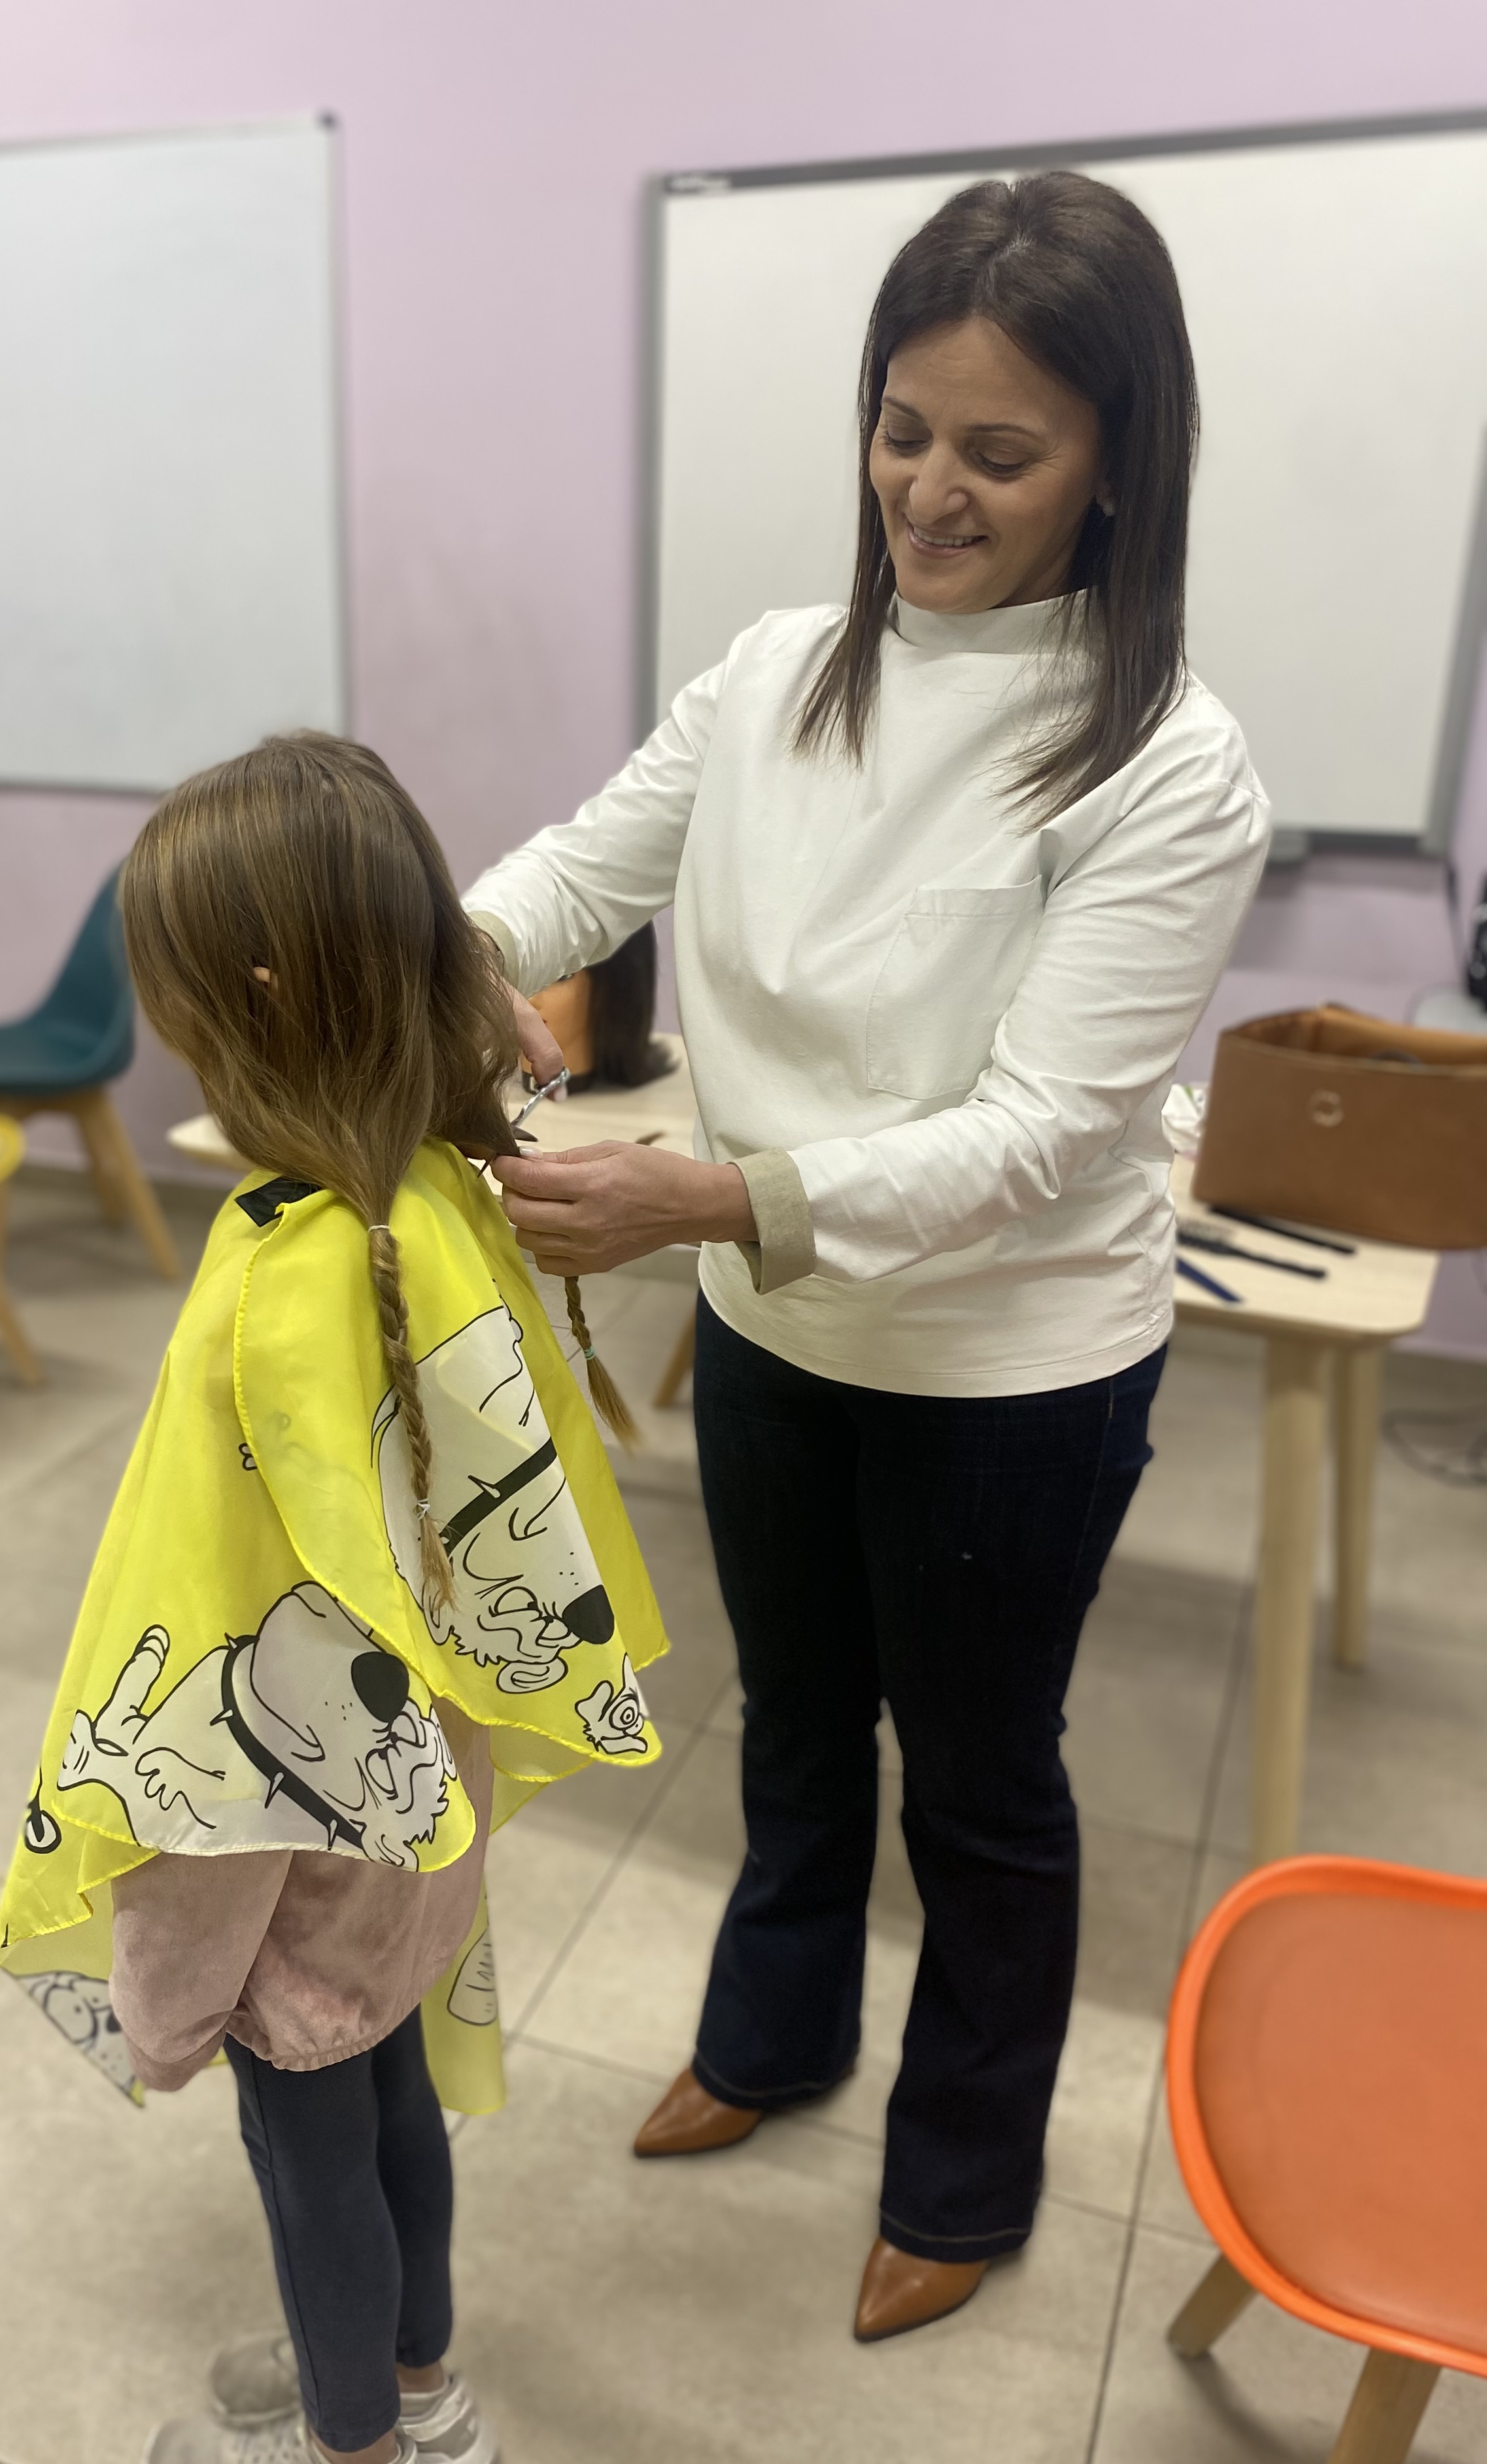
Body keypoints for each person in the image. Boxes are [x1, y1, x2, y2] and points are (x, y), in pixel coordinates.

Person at [464, 173, 1271, 2342]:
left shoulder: (1169, 765)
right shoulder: (774, 675)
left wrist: (709, 1200)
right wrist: (422, 955)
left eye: (999, 451)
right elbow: (575, 876)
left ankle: (970, 2175)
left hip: (1010, 1367)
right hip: (774, 1326)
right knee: (798, 1723)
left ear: (1116, 465)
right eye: (903, 430)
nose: (929, 489)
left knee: (982, 1784)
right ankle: (771, 2038)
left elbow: (1037, 1137)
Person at [0, 733, 665, 2464]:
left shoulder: (286, 1280)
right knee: (394, 2099)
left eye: (175, 992)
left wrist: (177, 1957)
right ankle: (419, 2389)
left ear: (258, 1001)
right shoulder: (431, 1199)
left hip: (300, 1840)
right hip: (419, 1802)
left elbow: (214, 1681)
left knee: (311, 2150)